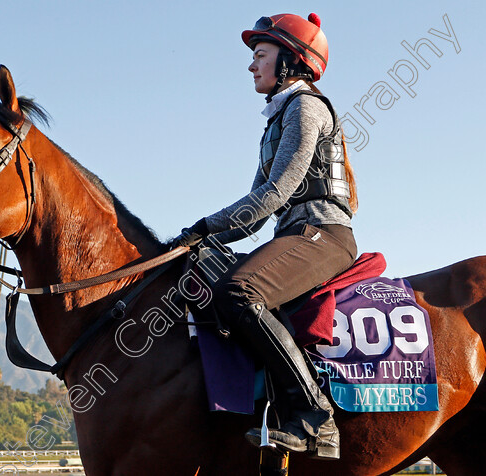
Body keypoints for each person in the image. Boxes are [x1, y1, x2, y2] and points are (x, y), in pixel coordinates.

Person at [172, 13, 358, 460]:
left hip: (324, 235)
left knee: (239, 291)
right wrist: (200, 239)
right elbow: (255, 215)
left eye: (260, 55)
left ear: (291, 61)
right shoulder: (275, 121)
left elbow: (277, 193)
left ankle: (317, 417)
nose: (252, 66)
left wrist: (205, 225)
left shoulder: (306, 107)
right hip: (296, 234)